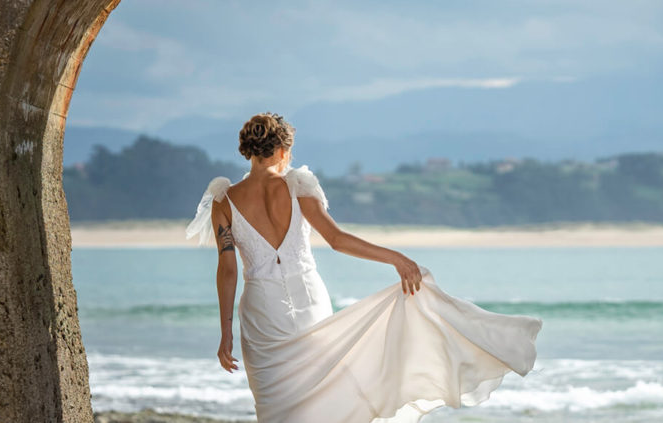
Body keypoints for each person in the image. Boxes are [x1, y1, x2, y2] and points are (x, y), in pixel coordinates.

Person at [185, 112, 543, 422]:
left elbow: (228, 270)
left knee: (275, 407)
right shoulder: (297, 186)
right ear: (281, 150)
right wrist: (397, 258)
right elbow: (338, 240)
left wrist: (226, 332)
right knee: (322, 394)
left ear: (248, 151)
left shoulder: (224, 201)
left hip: (262, 315)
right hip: (310, 304)